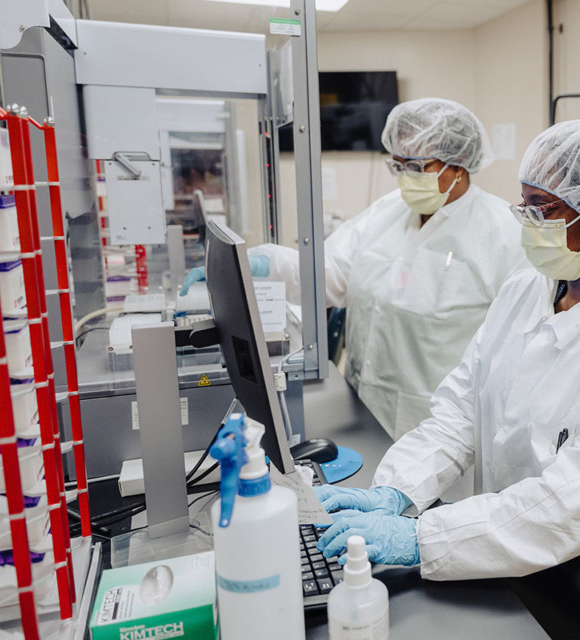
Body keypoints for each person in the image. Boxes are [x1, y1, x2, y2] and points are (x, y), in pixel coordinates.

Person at [313, 119, 580, 640]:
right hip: (503, 564)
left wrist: (421, 537)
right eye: (525, 207)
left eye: (546, 210)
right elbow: (458, 412)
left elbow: (575, 500)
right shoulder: (526, 290)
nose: (528, 223)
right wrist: (396, 491)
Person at [183, 98, 527, 443]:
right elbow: (328, 274)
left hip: (441, 421)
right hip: (366, 402)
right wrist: (257, 265)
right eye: (399, 165)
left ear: (460, 164)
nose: (406, 177)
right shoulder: (388, 212)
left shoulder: (502, 232)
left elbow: (518, 341)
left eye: (418, 167)